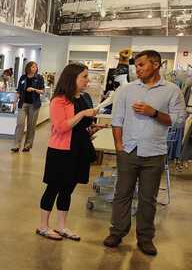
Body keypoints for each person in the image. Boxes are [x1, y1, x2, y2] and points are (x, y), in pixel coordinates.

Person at [103, 50, 187, 255]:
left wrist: (154, 113)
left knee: (148, 197)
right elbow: (117, 120)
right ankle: (117, 232)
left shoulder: (172, 90)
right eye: (136, 65)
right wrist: (119, 146)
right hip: (128, 150)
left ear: (156, 65)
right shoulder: (126, 90)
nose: (137, 69)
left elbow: (179, 120)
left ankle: (145, 237)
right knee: (122, 194)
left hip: (155, 152)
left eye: (141, 65)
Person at [36, 64, 101, 241]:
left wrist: (92, 128)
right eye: (84, 76)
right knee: (53, 187)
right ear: (72, 78)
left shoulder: (84, 97)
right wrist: (82, 114)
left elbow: (82, 126)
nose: (87, 80)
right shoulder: (59, 100)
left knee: (68, 189)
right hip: (61, 151)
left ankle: (62, 226)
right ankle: (43, 226)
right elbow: (60, 127)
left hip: (79, 149)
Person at [12, 61, 46, 153]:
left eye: (36, 67)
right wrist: (14, 102)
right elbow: (18, 91)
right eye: (33, 67)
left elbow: (42, 91)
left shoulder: (39, 78)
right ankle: (16, 145)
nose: (35, 68)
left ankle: (27, 145)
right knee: (20, 124)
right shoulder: (23, 77)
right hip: (23, 104)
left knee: (31, 126)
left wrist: (34, 89)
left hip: (34, 105)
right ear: (28, 68)